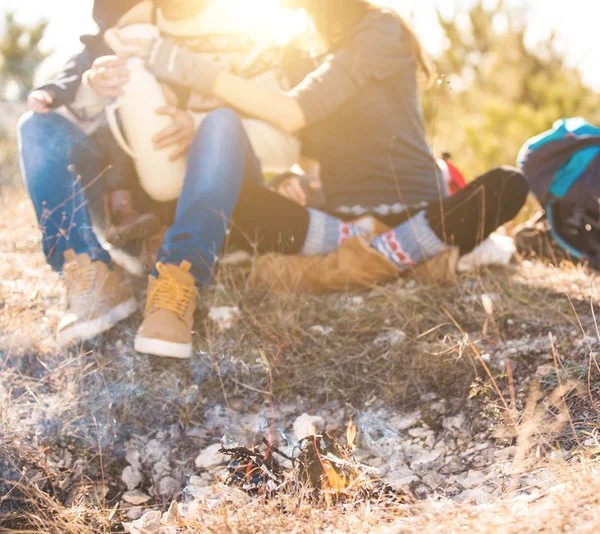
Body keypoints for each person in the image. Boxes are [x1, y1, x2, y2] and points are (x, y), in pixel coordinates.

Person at [108, 0, 529, 359]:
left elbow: (294, 111)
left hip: (410, 207)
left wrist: (178, 62)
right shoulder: (297, 49)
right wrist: (291, 176)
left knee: (507, 184)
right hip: (336, 220)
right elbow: (288, 136)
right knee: (228, 198)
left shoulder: (379, 31)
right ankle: (399, 255)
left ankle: (376, 252)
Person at [17, 0, 298, 352]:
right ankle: (89, 273)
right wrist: (94, 87)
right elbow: (79, 122)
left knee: (222, 121)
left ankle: (179, 277)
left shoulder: (251, 28)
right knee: (35, 125)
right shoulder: (127, 22)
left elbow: (285, 146)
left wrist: (197, 125)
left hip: (216, 208)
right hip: (135, 215)